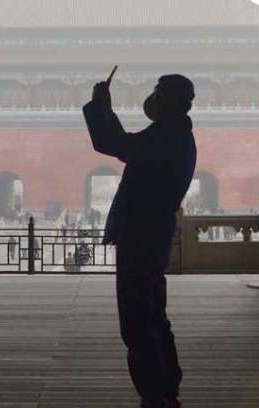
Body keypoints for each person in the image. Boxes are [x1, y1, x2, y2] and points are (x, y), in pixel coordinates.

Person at [83, 73, 197, 408]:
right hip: (153, 234)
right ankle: (166, 388)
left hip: (142, 236)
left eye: (158, 91)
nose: (154, 97)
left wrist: (100, 107)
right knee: (153, 315)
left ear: (170, 99)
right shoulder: (175, 133)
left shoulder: (166, 136)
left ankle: (154, 394)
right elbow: (126, 145)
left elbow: (114, 144)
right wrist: (106, 110)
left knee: (137, 318)